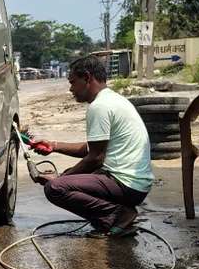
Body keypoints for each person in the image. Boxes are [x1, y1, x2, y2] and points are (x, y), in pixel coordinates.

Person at [30, 56, 154, 236]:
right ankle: (116, 215)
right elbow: (92, 149)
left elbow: (95, 158)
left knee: (55, 189)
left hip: (126, 184)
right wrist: (54, 146)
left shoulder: (100, 107)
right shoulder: (112, 99)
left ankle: (118, 215)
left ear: (87, 78)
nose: (71, 89)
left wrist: (61, 179)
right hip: (134, 184)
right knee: (68, 179)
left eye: (73, 82)